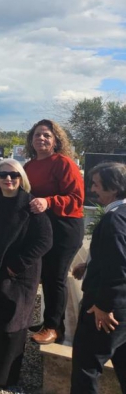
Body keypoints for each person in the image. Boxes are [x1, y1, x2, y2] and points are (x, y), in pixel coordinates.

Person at [0, 160, 52, 392]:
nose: (9, 179)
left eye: (14, 175)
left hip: (18, 275)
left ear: (21, 177)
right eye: (4, 174)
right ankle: (1, 374)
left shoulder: (30, 204)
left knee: (12, 325)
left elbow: (44, 241)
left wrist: (15, 266)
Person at [23, 119, 84, 345]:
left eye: (47, 135)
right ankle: (50, 320)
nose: (41, 138)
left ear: (56, 140)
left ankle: (54, 328)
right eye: (37, 135)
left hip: (64, 228)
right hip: (42, 229)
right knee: (45, 275)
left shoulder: (64, 163)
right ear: (31, 139)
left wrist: (49, 202)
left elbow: (76, 199)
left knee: (55, 276)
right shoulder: (29, 166)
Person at [70, 162, 126, 394]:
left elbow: (119, 267)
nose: (92, 190)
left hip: (106, 312)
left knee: (86, 366)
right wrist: (90, 264)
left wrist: (104, 306)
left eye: (96, 184)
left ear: (113, 188)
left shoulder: (114, 220)